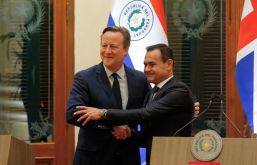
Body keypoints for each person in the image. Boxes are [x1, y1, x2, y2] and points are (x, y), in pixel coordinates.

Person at [74, 43, 194, 164]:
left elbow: (146, 113)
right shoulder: (152, 92)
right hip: (155, 157)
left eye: (152, 64)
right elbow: (148, 134)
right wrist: (129, 134)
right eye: (145, 64)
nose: (146, 69)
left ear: (169, 64)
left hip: (173, 157)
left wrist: (103, 113)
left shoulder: (179, 90)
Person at [66, 26, 151, 165]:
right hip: (93, 159)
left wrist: (189, 104)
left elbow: (151, 110)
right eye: (104, 45)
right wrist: (112, 126)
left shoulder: (140, 79)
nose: (107, 51)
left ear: (126, 49)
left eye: (113, 46)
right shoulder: (85, 78)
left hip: (128, 158)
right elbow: (73, 113)